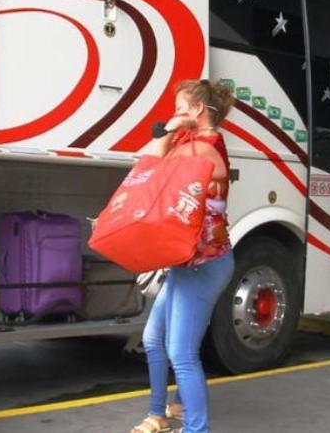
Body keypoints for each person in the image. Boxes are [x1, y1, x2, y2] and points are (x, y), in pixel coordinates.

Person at [130, 79, 237, 433]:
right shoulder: (190, 144)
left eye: (179, 109)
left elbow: (148, 163)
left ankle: (196, 429)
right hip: (185, 262)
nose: (174, 116)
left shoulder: (205, 147)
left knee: (183, 353)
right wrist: (173, 130)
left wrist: (168, 130)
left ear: (198, 111)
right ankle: (158, 413)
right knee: (151, 338)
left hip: (205, 265)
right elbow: (146, 166)